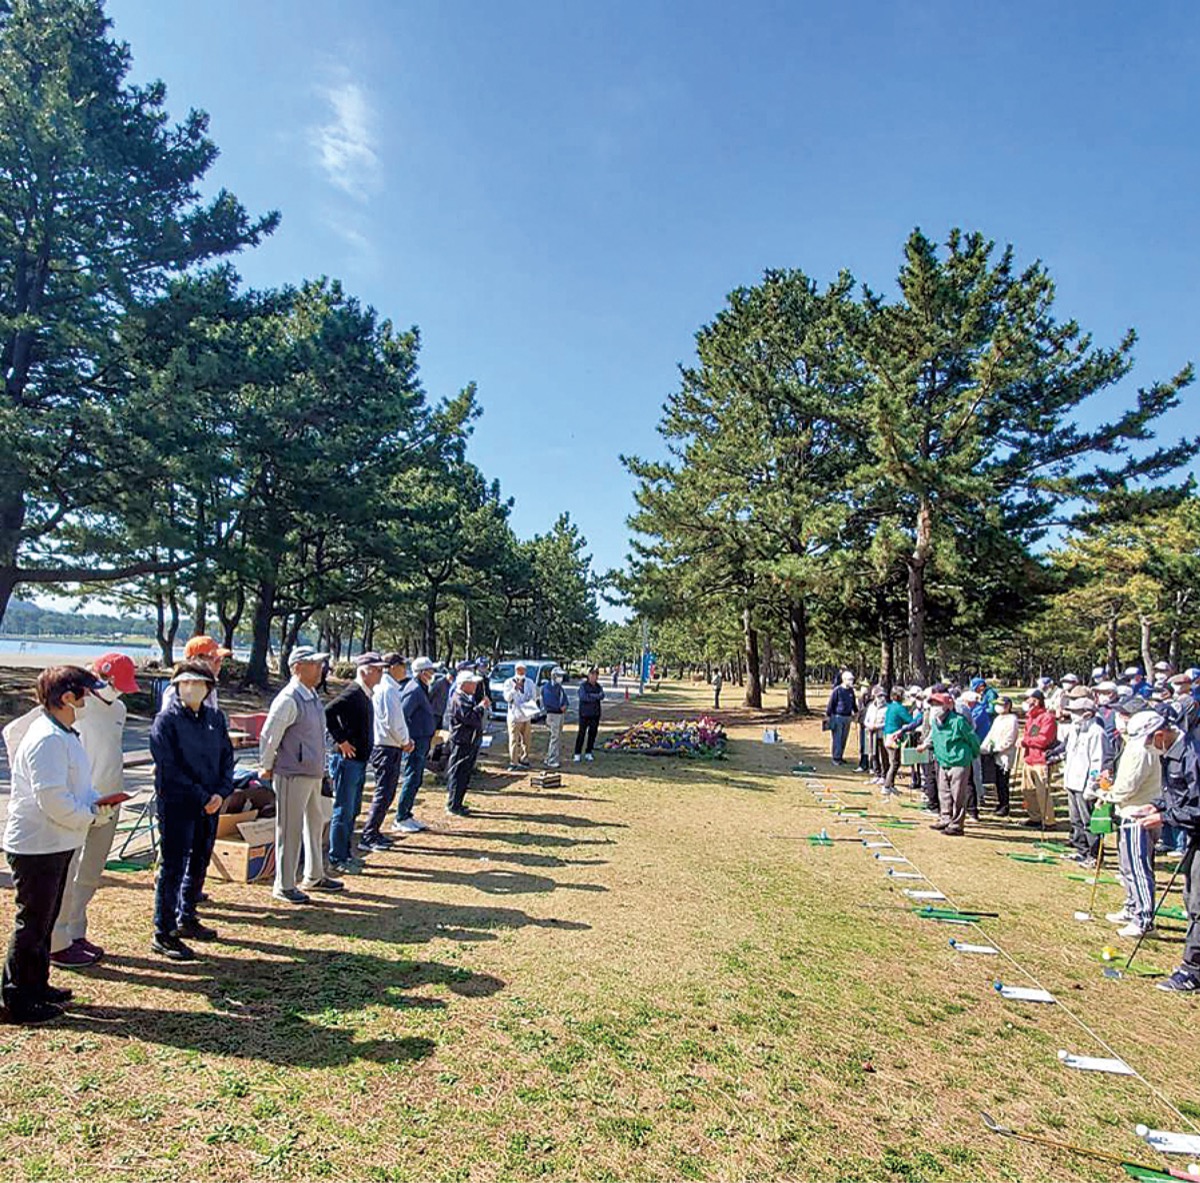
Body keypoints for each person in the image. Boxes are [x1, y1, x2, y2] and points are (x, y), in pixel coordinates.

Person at [2, 666, 110, 1024]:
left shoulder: (64, 733)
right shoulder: (47, 739)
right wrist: (89, 816)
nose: (89, 701)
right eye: (85, 694)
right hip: (38, 844)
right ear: (68, 697)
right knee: (32, 922)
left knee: (45, 922)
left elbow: (76, 787)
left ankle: (37, 984)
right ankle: (18, 996)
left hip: (58, 840)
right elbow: (53, 800)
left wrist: (97, 802)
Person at [49, 653, 140, 968]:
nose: (119, 692)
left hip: (109, 799)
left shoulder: (119, 708)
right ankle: (57, 939)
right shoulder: (79, 709)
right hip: (79, 802)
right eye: (116, 684)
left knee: (90, 870)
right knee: (68, 870)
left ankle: (76, 931)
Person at [148, 663, 235, 958]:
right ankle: (164, 930)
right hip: (178, 804)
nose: (192, 688)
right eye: (185, 683)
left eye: (199, 683)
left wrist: (222, 792)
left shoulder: (214, 718)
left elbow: (226, 758)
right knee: (173, 866)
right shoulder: (166, 721)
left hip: (210, 803)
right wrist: (201, 795)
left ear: (209, 688)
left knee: (200, 861)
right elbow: (168, 768)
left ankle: (188, 916)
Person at [259, 646, 343, 904]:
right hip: (292, 774)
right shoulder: (289, 698)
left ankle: (314, 874)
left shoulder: (311, 695)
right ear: (297, 667)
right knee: (290, 829)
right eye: (314, 664)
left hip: (312, 772)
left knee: (315, 824)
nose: (320, 669)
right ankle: (284, 884)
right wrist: (266, 765)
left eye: (320, 664)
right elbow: (270, 735)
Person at [1130, 717, 1200, 991]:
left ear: (1160, 734)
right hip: (1194, 834)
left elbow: (1196, 807)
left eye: (1149, 740)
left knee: (1197, 904)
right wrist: (1155, 806)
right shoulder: (1170, 754)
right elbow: (1179, 796)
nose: (1148, 746)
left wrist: (1165, 817)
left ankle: (1193, 970)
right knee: (1190, 898)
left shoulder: (1192, 753)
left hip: (1195, 832)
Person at [1101, 710, 1170, 938]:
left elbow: (1129, 784)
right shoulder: (1136, 745)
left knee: (1139, 868)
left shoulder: (1142, 749)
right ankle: (1132, 907)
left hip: (1138, 814)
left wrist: (1108, 794)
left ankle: (1144, 919)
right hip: (1132, 810)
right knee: (1128, 866)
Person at [324, 652, 385, 874]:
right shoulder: (352, 692)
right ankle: (337, 857)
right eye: (377, 669)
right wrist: (341, 741)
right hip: (346, 761)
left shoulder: (365, 694)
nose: (381, 673)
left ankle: (346, 853)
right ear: (364, 670)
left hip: (358, 761)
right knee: (343, 808)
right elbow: (328, 712)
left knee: (352, 809)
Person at [360, 654, 413, 852]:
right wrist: (405, 741)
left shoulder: (387, 688)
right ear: (393, 667)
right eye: (402, 665)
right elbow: (394, 722)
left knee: (387, 792)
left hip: (388, 745)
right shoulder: (389, 689)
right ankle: (368, 835)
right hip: (387, 746)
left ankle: (374, 831)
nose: (405, 670)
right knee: (384, 793)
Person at [1061, 697, 1113, 866]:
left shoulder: (1097, 732)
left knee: (1088, 821)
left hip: (1084, 784)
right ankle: (1080, 850)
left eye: (1076, 712)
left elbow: (1098, 761)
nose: (1073, 715)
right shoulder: (1075, 729)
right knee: (1075, 820)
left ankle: (1094, 856)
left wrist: (1093, 785)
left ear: (1087, 713)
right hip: (1071, 781)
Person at [922, 692, 981, 836]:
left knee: (958, 794)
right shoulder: (935, 722)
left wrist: (973, 754)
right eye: (933, 704)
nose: (935, 707)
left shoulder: (958, 721)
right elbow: (934, 738)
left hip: (959, 761)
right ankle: (945, 818)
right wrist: (924, 745)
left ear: (947, 706)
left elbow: (972, 739)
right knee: (944, 793)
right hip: (943, 761)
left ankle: (957, 825)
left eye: (938, 704)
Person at [394, 656, 438, 833]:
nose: (433, 673)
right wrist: (407, 738)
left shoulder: (422, 688)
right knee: (412, 778)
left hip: (423, 739)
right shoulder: (414, 690)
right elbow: (403, 715)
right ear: (421, 672)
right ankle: (401, 816)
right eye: (430, 670)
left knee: (417, 778)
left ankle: (407, 813)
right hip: (416, 740)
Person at [445, 670, 487, 816]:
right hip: (461, 741)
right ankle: (453, 804)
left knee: (464, 772)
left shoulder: (465, 698)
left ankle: (458, 803)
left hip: (468, 740)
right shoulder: (458, 699)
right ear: (464, 684)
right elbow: (470, 718)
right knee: (458, 772)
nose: (475, 685)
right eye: (473, 683)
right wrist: (481, 707)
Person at [1020, 689, 1058, 829]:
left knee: (1043, 793)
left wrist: (1026, 741)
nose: (1026, 702)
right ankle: (1035, 817)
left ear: (1036, 700)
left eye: (1028, 699)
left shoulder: (1047, 718)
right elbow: (1030, 735)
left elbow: (1043, 740)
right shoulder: (1031, 718)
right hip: (1029, 758)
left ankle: (1049, 821)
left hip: (1042, 759)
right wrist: (1027, 741)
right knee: (1027, 790)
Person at [979, 696, 1019, 817]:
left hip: (1004, 755)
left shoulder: (1012, 720)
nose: (998, 707)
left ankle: (1005, 805)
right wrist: (983, 748)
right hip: (993, 754)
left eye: (1001, 705)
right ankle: (1000, 803)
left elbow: (1010, 739)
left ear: (1008, 706)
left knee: (1003, 781)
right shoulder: (998, 719)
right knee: (996, 781)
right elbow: (990, 735)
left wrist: (997, 749)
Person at [880, 688, 915, 797]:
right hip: (893, 736)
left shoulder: (890, 706)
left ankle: (891, 785)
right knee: (895, 763)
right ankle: (886, 786)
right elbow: (910, 720)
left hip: (887, 735)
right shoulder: (899, 708)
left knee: (894, 761)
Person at [504, 662, 537, 769]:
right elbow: (507, 698)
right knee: (514, 739)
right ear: (515, 670)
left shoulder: (530, 682)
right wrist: (514, 689)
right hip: (514, 715)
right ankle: (513, 762)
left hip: (526, 715)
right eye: (519, 670)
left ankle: (524, 759)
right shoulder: (509, 682)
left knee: (526, 740)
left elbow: (533, 696)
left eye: (522, 670)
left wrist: (529, 704)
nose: (521, 672)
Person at [825, 671, 857, 765]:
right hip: (838, 716)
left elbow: (853, 703)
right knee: (837, 738)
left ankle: (840, 756)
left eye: (852, 679)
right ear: (844, 680)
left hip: (848, 717)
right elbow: (831, 703)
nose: (851, 681)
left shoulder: (851, 691)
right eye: (850, 679)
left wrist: (856, 713)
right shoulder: (837, 690)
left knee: (844, 738)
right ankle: (836, 757)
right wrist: (828, 715)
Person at [574, 667, 605, 763]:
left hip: (595, 714)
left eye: (596, 675)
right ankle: (577, 753)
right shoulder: (583, 686)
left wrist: (592, 696)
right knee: (581, 734)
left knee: (592, 734)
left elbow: (602, 695)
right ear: (588, 675)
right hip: (584, 714)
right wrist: (595, 697)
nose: (594, 677)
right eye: (592, 674)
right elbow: (583, 697)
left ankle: (589, 752)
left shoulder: (598, 686)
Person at [541, 667, 569, 768]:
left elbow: (565, 698)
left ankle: (549, 757)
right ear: (553, 676)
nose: (560, 678)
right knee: (554, 737)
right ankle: (551, 760)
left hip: (560, 715)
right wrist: (559, 707)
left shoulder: (559, 687)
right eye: (559, 676)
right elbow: (548, 703)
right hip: (553, 714)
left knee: (557, 737)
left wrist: (565, 705)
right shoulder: (547, 687)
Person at [863, 689, 887, 782]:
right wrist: (869, 725)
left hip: (882, 733)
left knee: (883, 754)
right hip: (871, 733)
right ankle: (877, 773)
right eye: (879, 696)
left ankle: (884, 775)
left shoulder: (887, 708)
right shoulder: (871, 707)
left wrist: (877, 726)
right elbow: (866, 720)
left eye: (882, 696)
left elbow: (887, 722)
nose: (881, 698)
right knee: (873, 753)